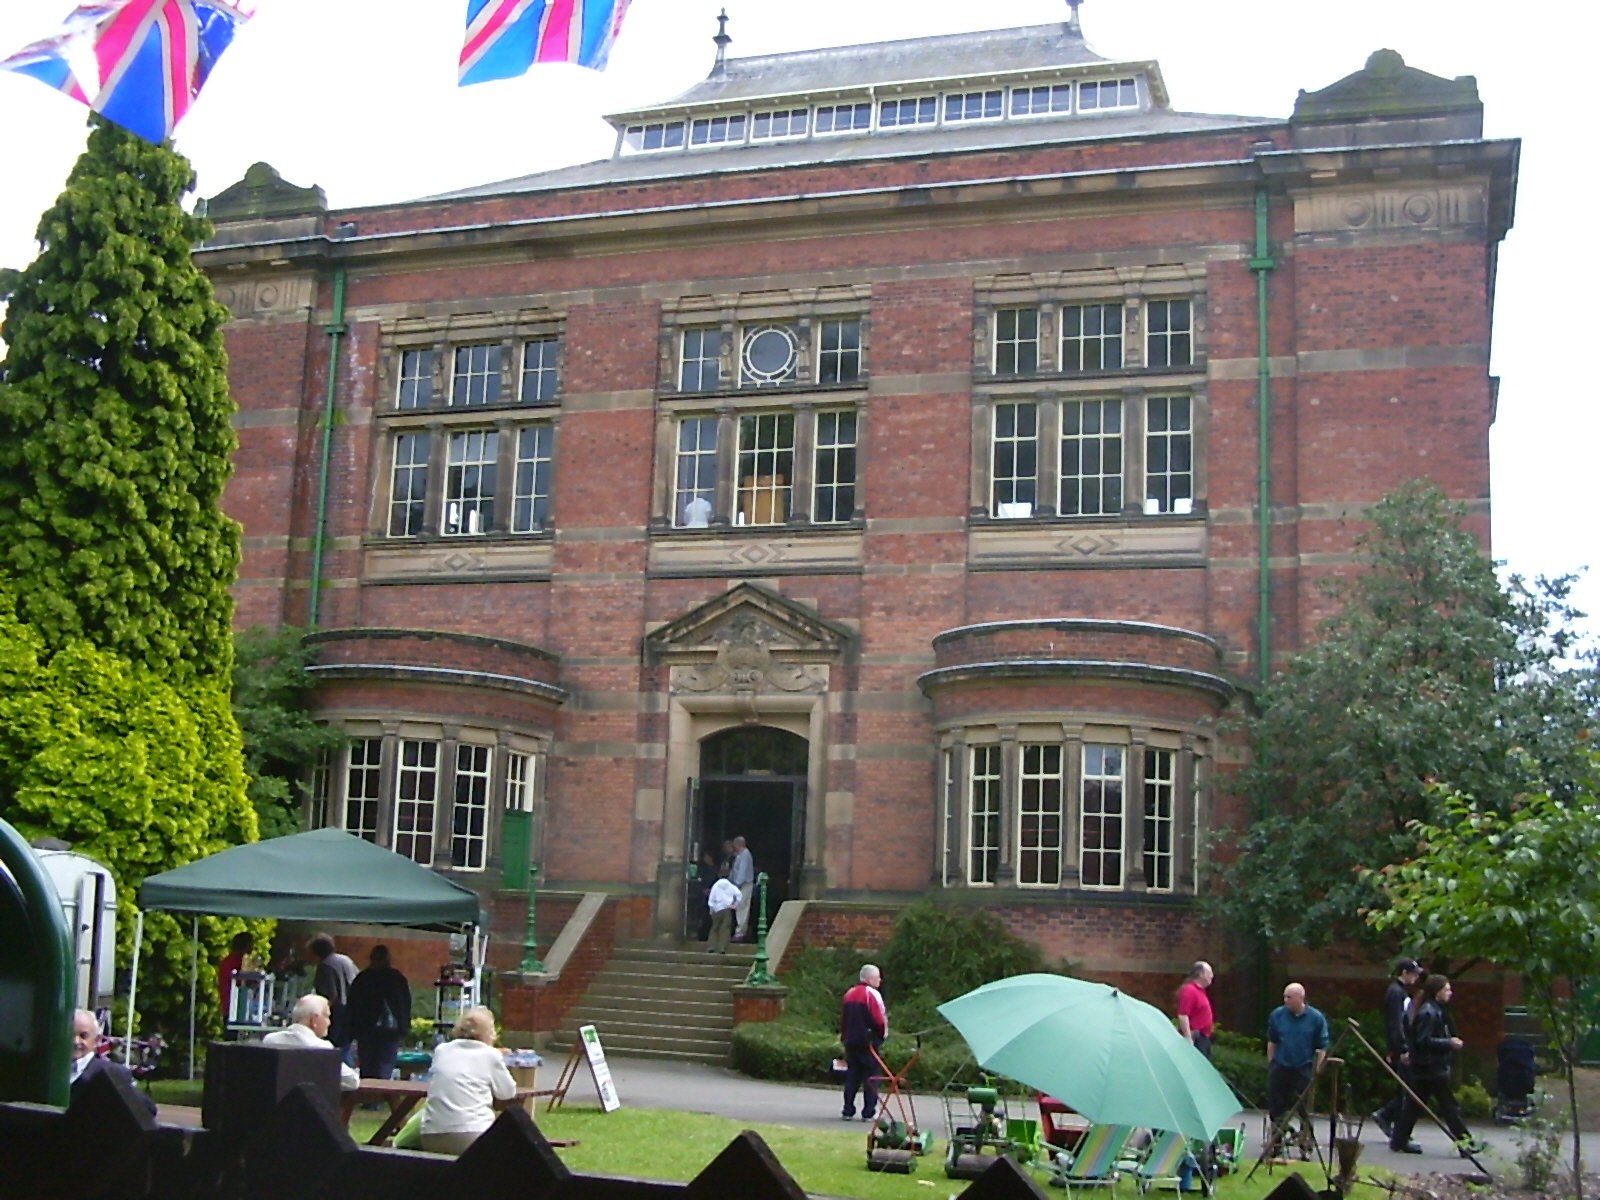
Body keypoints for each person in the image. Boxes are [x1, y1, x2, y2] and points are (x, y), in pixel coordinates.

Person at [1388, 975, 1485, 1157]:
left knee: (1414, 1106)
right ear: (1437, 991)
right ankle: (1466, 1143)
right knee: (1449, 1107)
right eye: (1447, 989)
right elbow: (1423, 1040)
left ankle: (1398, 1140)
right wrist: (1449, 1043)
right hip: (1431, 1068)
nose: (1450, 993)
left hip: (1427, 1067)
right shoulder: (1429, 1012)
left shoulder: (1435, 1010)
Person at [419, 1006, 517, 1155]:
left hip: (431, 1134)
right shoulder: (490, 1055)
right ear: (488, 1034)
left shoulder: (442, 1050)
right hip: (472, 1134)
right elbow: (507, 1093)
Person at [1265, 982, 1329, 1156]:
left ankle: (1305, 1143)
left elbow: (1321, 1046)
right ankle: (1276, 1143)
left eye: (1289, 997)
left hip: (1304, 1068)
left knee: (1305, 1109)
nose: (1286, 1000)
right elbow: (1272, 1040)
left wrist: (1317, 1070)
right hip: (1281, 1067)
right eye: (1284, 996)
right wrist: (1271, 1063)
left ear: (1301, 998)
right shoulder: (1277, 1015)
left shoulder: (1316, 1018)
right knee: (1277, 1107)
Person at [1371, 956, 1424, 1150]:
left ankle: (1388, 1116)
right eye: (1413, 974)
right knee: (1407, 1090)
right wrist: (1401, 1048)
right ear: (1404, 973)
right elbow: (1396, 1023)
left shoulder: (1400, 992)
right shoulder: (1396, 993)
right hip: (1400, 1048)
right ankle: (1390, 1120)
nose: (1416, 978)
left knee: (1407, 1090)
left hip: (1401, 1046)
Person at [262, 994, 360, 1091]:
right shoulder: (322, 1048)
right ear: (314, 1020)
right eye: (327, 1016)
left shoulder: (270, 1040)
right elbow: (352, 1081)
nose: (329, 1022)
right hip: (307, 1105)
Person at [69, 1009, 157, 1115]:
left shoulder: (111, 1073)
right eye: (70, 1034)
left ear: (97, 1040)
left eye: (83, 1036)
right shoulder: (48, 1069)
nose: (75, 1041)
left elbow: (147, 1110)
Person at [346, 944, 412, 1080]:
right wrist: (404, 1027)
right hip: (389, 1031)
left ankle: (369, 1099)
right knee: (384, 1068)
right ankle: (380, 1098)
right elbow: (405, 1004)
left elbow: (352, 1006)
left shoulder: (362, 979)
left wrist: (352, 1030)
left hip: (366, 1030)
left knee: (367, 1068)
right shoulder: (397, 978)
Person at [839, 963, 888, 1122]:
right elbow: (879, 1019)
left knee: (852, 1076)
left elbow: (843, 1019)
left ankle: (848, 1110)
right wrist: (882, 1036)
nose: (880, 980)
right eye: (877, 977)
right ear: (870, 978)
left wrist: (844, 1037)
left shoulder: (849, 993)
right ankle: (868, 1112)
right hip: (868, 1043)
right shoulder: (872, 994)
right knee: (872, 1077)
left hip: (851, 1041)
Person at [306, 933, 358, 1051]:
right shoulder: (346, 960)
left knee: (333, 1049)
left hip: (337, 1013)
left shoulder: (325, 966)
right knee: (345, 1048)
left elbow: (329, 996)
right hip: (353, 1010)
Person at [1174, 961, 1215, 1058]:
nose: (1212, 976)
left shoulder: (1200, 991)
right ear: (1200, 974)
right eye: (1209, 973)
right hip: (1196, 1038)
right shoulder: (1190, 990)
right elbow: (1183, 1015)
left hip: (1204, 1037)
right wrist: (1188, 1038)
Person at [217, 931, 254, 1027]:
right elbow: (241, 981)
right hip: (233, 1008)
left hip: (232, 1006)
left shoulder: (229, 961)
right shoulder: (235, 961)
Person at [706, 868, 741, 953]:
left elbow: (711, 899)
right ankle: (723, 947)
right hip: (727, 909)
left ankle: (712, 946)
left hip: (717, 909)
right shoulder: (730, 886)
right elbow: (739, 894)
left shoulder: (716, 885)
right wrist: (735, 905)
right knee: (725, 928)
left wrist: (711, 909)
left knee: (715, 928)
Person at [729, 835, 755, 941]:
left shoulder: (745, 855)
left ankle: (740, 932)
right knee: (739, 907)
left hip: (744, 884)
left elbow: (742, 871)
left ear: (737, 844)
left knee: (742, 907)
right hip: (741, 884)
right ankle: (739, 931)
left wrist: (737, 884)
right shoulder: (741, 855)